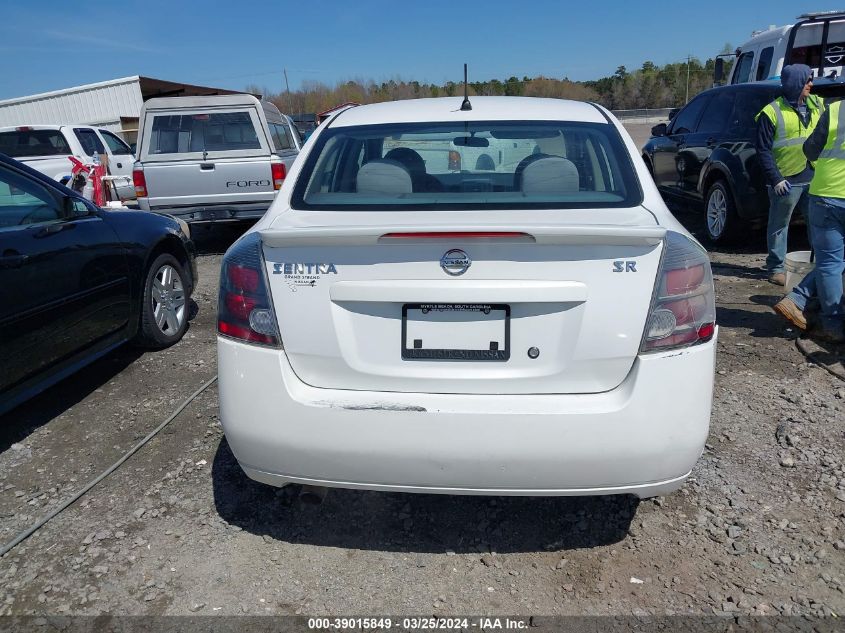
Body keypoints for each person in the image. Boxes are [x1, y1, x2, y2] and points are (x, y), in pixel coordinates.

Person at [755, 64, 825, 286]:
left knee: (817, 223)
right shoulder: (771, 112)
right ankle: (776, 268)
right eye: (807, 81)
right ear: (796, 83)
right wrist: (775, 179)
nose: (811, 85)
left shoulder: (818, 105)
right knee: (779, 225)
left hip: (813, 176)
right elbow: (763, 149)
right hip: (786, 181)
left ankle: (818, 266)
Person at [798, 98, 845, 343]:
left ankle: (834, 326)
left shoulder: (836, 110)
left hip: (827, 194)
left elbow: (810, 150)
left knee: (830, 263)